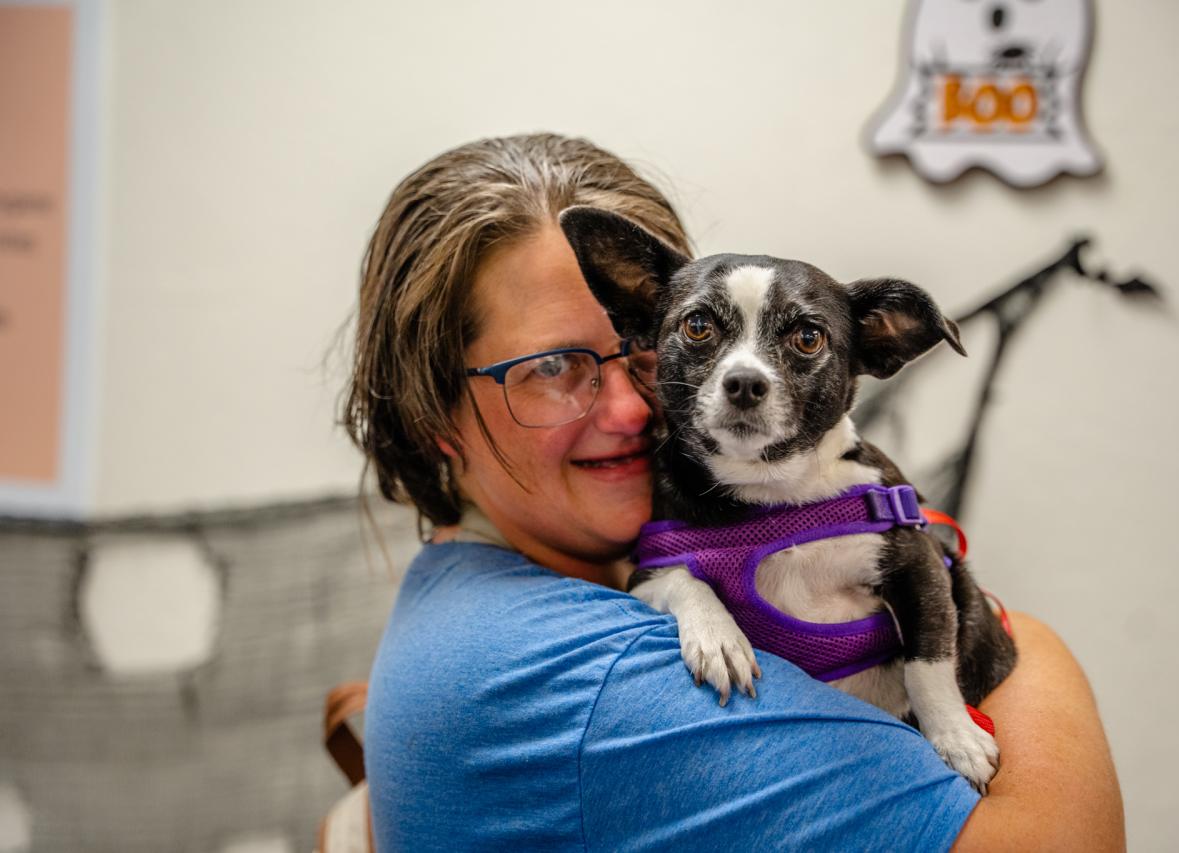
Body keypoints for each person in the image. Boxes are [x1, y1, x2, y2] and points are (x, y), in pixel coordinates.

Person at [342, 133, 1124, 851]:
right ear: (430, 411)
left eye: (644, 352)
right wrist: (1037, 645)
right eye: (551, 368)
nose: (628, 410)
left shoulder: (473, 601)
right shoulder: (603, 676)